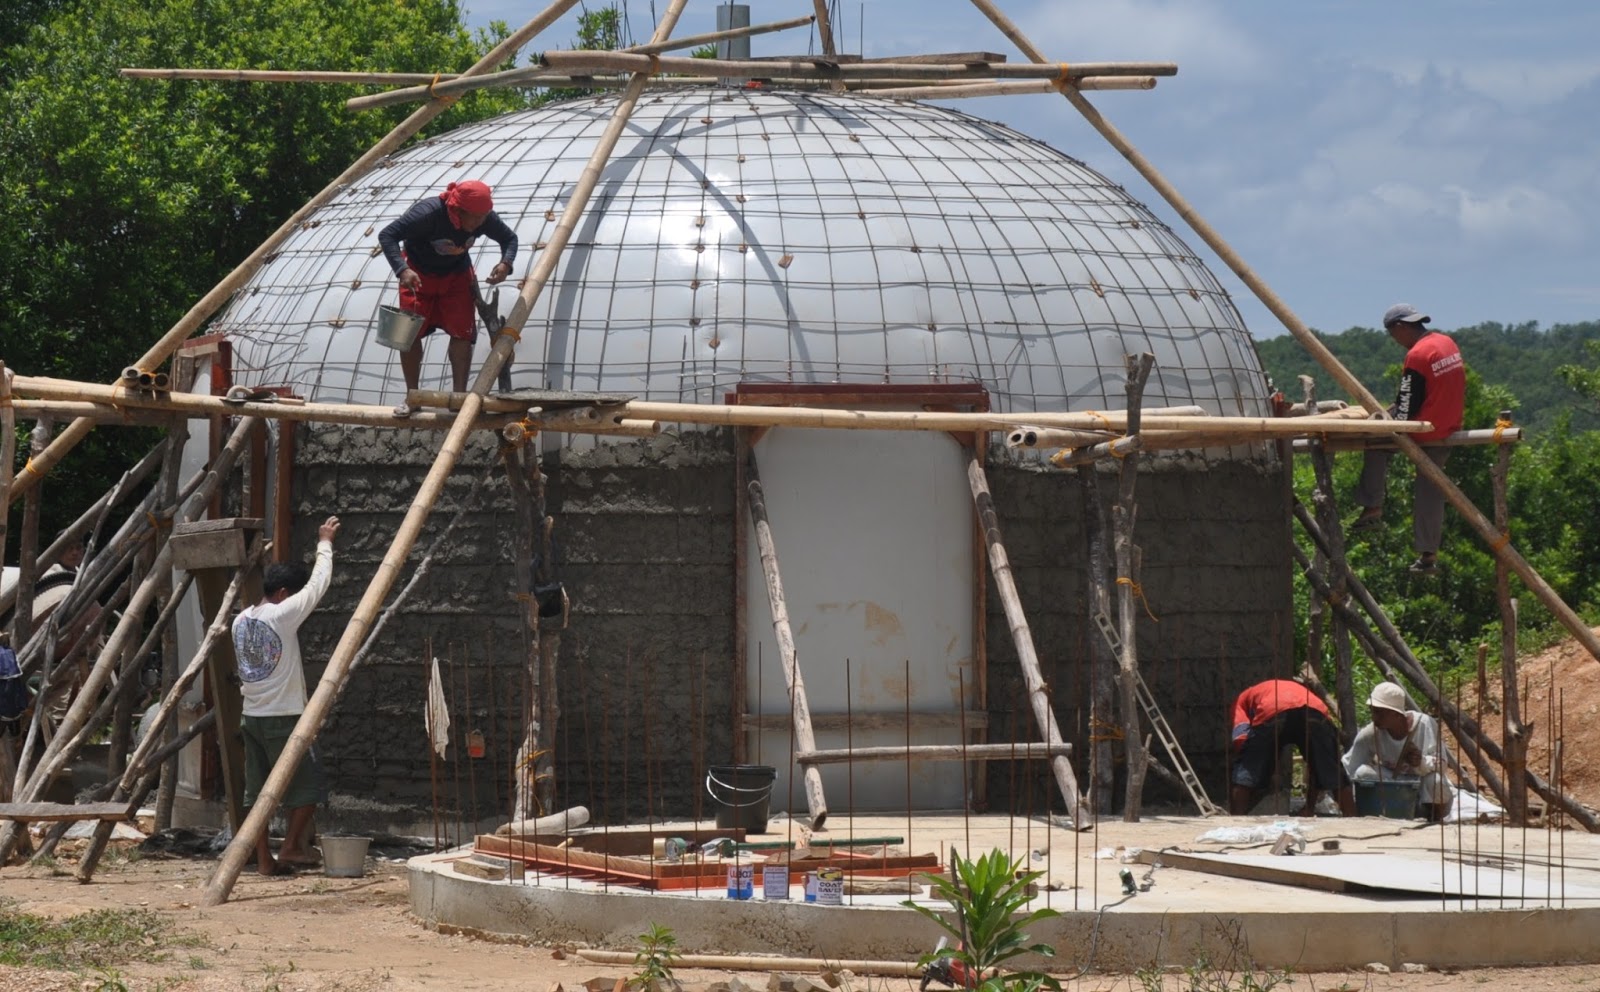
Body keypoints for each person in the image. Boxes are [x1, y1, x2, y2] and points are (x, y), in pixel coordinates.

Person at [232, 515, 339, 875]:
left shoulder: (241, 619)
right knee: (310, 785)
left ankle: (264, 861)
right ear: (282, 594)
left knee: (256, 794)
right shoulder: (282, 614)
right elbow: (317, 586)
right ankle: (292, 846)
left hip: (251, 716)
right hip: (285, 716)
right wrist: (325, 543)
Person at [377, 180, 518, 416]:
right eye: (474, 218)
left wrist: (506, 263)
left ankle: (458, 398)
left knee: (462, 332)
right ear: (457, 209)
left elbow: (509, 239)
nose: (478, 224)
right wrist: (402, 270)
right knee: (406, 335)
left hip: (456, 277)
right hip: (417, 277)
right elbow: (387, 235)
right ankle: (413, 397)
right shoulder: (428, 214)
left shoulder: (484, 217)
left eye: (483, 218)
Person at [1349, 304, 1466, 575]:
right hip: (1448, 423)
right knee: (1430, 488)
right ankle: (1428, 554)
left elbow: (1407, 407)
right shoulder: (1446, 343)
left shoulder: (1418, 355)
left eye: (1393, 335)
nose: (1396, 342)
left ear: (1400, 327)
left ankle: (1372, 506)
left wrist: (1387, 421)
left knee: (1376, 443)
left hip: (1424, 428)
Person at [1229, 678, 1355, 816]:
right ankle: (1353, 820)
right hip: (1314, 710)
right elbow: (1317, 764)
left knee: (1245, 771)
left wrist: (1253, 769)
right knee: (1331, 768)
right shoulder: (1287, 689)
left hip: (1272, 708)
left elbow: (1240, 741)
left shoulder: (1240, 701)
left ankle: (1236, 819)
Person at [1343, 681, 1454, 822]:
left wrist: (1421, 762)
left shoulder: (1424, 724)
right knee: (1363, 773)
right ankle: (1384, 813)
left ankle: (1434, 819)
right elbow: (1349, 765)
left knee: (1436, 781)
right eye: (1373, 711)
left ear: (1396, 713)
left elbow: (1442, 764)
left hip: (1422, 789)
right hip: (1396, 789)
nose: (1374, 717)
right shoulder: (1371, 733)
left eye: (1379, 713)